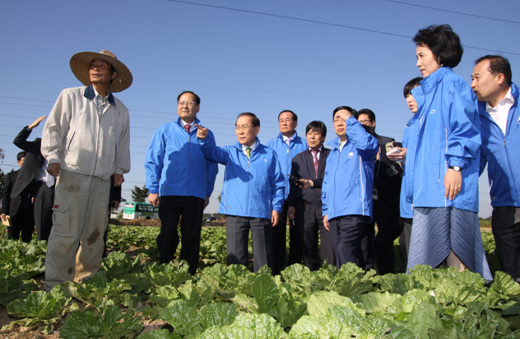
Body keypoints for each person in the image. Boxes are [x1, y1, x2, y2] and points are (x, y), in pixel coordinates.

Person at [405, 25, 491, 281]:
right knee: (433, 255)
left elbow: (464, 130)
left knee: (454, 252)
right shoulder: (428, 94)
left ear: (439, 54)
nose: (417, 61)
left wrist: (454, 168)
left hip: (446, 189)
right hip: (429, 190)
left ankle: (465, 303)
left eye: (422, 55)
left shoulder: (453, 84)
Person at [41, 50, 132, 290]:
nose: (96, 68)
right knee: (65, 232)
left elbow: (122, 143)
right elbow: (53, 127)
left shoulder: (120, 109)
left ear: (113, 74)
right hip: (72, 174)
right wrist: (53, 156)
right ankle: (56, 285)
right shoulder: (70, 96)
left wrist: (119, 169)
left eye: (103, 66)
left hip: (102, 179)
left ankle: (85, 282)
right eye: (93, 65)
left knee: (94, 235)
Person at [196, 113, 284, 272]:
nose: (240, 131)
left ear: (256, 129)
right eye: (237, 127)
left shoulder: (269, 154)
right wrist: (205, 138)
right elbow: (211, 152)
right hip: (234, 211)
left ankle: (263, 289)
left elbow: (278, 183)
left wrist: (276, 207)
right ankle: (236, 291)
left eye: (245, 127)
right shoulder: (229, 152)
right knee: (236, 257)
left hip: (261, 211)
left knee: (263, 257)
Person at [145, 91, 218, 275]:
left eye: (189, 102)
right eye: (181, 102)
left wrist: (207, 191)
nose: (184, 105)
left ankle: (187, 275)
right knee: (168, 233)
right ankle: (165, 271)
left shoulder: (206, 134)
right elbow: (154, 160)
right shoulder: (164, 130)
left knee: (191, 236)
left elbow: (212, 164)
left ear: (197, 107)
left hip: (195, 194)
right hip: (170, 192)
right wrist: (153, 189)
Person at [471, 55, 520, 283]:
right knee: (512, 275)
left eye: (477, 77)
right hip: (504, 207)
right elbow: (476, 161)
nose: (473, 84)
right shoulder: (476, 118)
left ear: (500, 77)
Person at [322, 106, 378, 269]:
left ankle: (350, 289)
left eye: (344, 118)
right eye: (336, 119)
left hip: (354, 210)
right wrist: (326, 210)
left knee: (344, 249)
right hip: (334, 212)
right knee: (343, 253)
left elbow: (367, 144)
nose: (340, 122)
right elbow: (327, 183)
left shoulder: (362, 146)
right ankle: (359, 288)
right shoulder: (332, 152)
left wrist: (352, 122)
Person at [357, 109, 403, 274]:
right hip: (366, 200)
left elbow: (402, 170)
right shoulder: (356, 147)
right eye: (359, 122)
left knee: (384, 241)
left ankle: (386, 274)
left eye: (366, 121)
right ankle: (368, 272)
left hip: (387, 199)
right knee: (365, 240)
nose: (362, 125)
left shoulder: (389, 144)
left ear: (373, 123)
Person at [287, 121, 335, 271]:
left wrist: (313, 183)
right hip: (305, 207)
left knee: (329, 246)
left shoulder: (332, 156)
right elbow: (293, 185)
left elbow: (333, 180)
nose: (312, 137)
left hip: (326, 208)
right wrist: (292, 205)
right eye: (309, 133)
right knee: (308, 245)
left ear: (324, 137)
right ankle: (312, 275)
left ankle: (330, 275)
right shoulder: (297, 159)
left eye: (316, 133)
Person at [267, 110, 308, 274]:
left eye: (288, 119)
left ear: (295, 123)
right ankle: (276, 269)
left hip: (298, 197)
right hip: (277, 196)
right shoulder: (271, 145)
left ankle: (295, 268)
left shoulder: (304, 144)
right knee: (276, 233)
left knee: (297, 233)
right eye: (281, 120)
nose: (284, 123)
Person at [387, 77, 422, 269]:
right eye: (406, 96)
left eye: (414, 94)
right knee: (408, 247)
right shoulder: (409, 128)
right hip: (410, 199)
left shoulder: (436, 123)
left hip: (429, 200)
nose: (409, 100)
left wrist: (410, 153)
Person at [13, 116, 55, 241]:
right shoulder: (38, 144)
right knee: (42, 221)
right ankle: (42, 247)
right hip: (43, 187)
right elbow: (18, 141)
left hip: (63, 186)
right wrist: (30, 127)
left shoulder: (67, 145)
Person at [1, 152, 34, 242]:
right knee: (12, 238)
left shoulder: (34, 177)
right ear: (18, 162)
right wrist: (3, 211)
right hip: (14, 212)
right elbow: (6, 194)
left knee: (27, 239)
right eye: (24, 160)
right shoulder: (11, 176)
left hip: (29, 213)